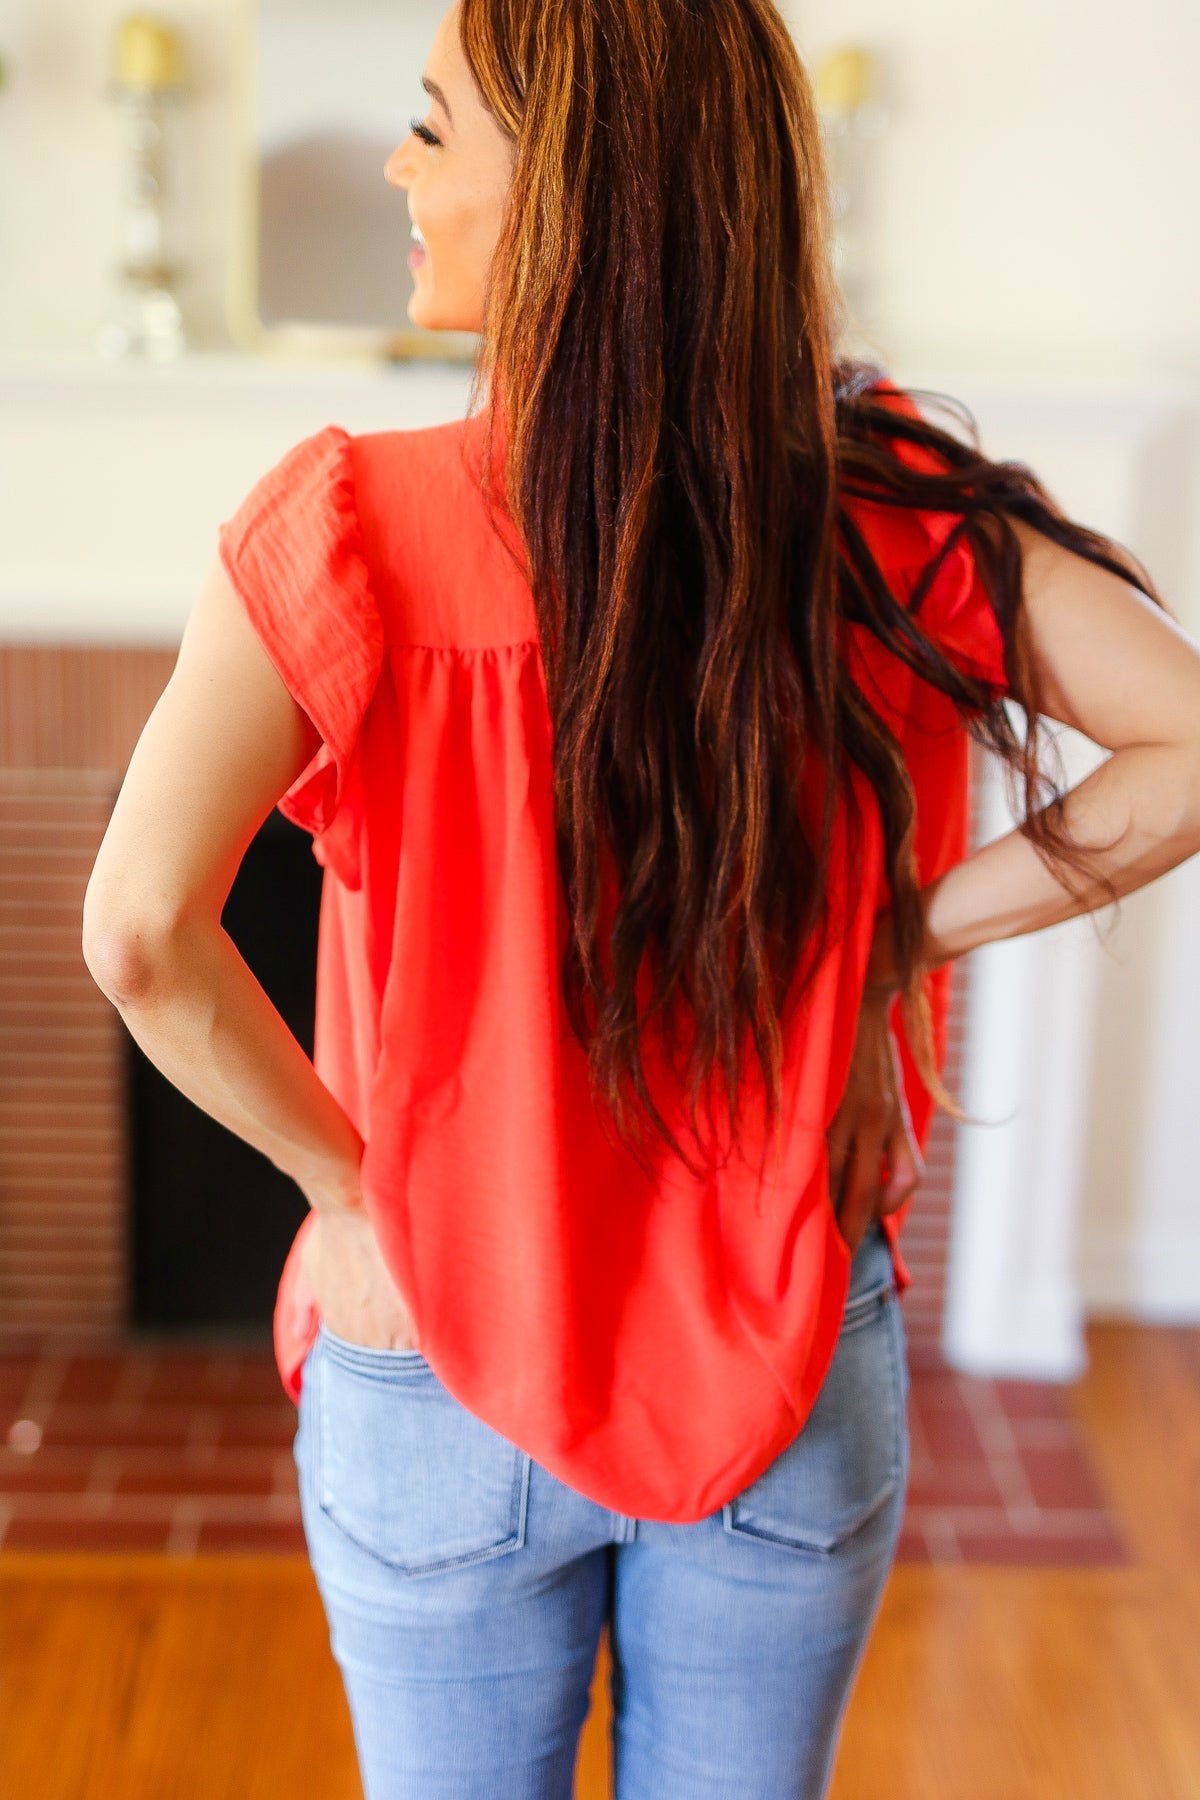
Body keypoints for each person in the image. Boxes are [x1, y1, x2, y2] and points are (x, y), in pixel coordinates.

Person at [81, 1, 1200, 1795]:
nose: (397, 169)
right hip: (783, 1351)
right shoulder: (878, 512)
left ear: (568, 192)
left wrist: (344, 1192)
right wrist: (897, 935)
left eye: (433, 127)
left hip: (432, 1340)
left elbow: (140, 932)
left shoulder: (344, 530)